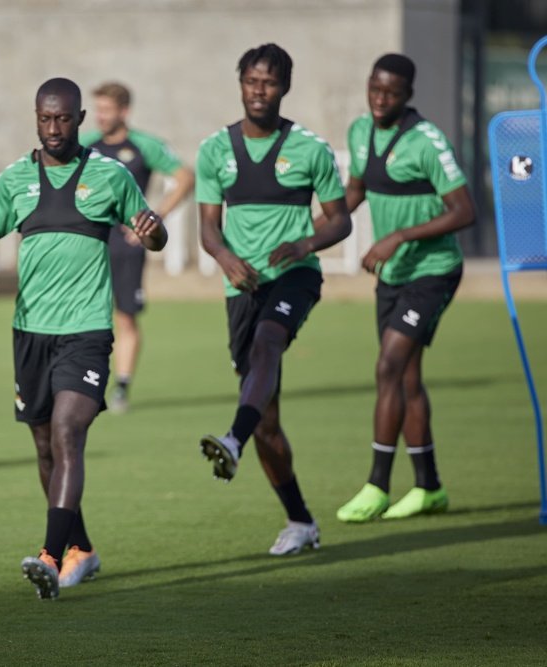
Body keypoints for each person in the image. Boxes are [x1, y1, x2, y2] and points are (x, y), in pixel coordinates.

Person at [0, 78, 167, 599]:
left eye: (63, 119)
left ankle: (50, 557)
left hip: (87, 331)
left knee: (67, 432)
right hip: (31, 333)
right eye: (45, 118)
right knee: (44, 447)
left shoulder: (110, 176)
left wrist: (154, 232)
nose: (54, 128)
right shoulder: (15, 180)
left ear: (79, 120)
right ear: (37, 118)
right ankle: (82, 549)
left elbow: (153, 231)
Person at [195, 44, 352, 555]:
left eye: (269, 82)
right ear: (239, 83)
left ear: (285, 87)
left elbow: (340, 218)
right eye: (251, 81)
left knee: (268, 341)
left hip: (296, 277)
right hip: (241, 286)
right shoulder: (214, 150)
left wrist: (305, 244)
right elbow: (208, 229)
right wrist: (225, 259)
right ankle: (301, 520)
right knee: (267, 417)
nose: (259, 91)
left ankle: (232, 440)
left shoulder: (310, 148)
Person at [333, 53, 474, 523]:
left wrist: (398, 237)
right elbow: (353, 193)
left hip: (432, 270)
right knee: (407, 377)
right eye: (375, 88)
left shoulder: (428, 142)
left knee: (388, 368)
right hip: (391, 275)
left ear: (408, 95)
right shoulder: (360, 131)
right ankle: (429, 487)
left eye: (390, 92)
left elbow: (463, 210)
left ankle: (376, 484)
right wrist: (308, 234)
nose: (380, 99)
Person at [81, 82, 195, 413]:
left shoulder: (144, 145)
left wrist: (154, 217)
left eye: (106, 109)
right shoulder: (85, 145)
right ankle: (87, 381)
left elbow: (185, 176)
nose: (100, 116)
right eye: (97, 109)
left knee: (125, 317)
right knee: (86, 314)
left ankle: (121, 387)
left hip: (127, 244)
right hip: (90, 242)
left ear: (124, 111)